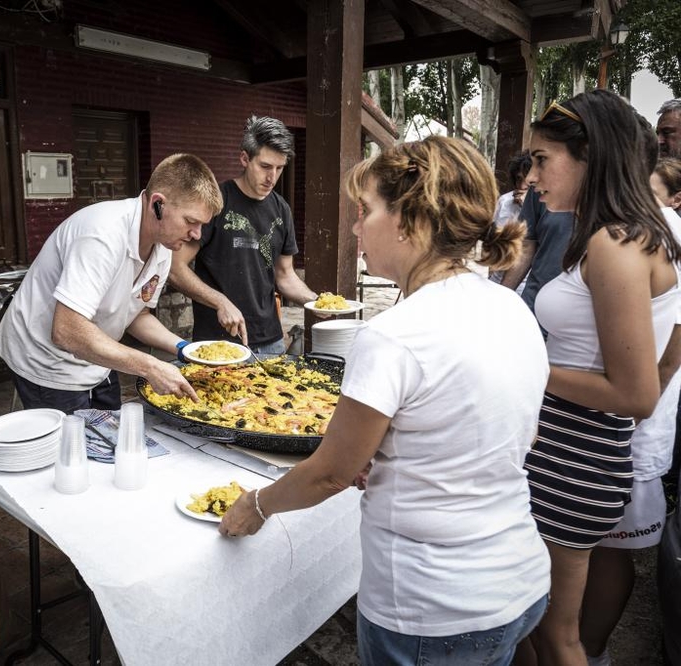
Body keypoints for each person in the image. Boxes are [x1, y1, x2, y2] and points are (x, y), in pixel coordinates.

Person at [221, 135, 551, 665]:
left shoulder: (394, 334)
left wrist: (256, 506)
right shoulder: (511, 308)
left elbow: (330, 473)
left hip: (432, 608)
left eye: (365, 211)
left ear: (410, 221)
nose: (355, 227)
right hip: (520, 577)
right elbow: (515, 433)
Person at [518, 90, 681, 666]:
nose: (531, 175)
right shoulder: (616, 233)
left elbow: (635, 395)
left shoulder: (614, 244)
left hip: (576, 456)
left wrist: (529, 368)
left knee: (554, 633)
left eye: (542, 159)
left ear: (592, 157)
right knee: (532, 625)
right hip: (566, 448)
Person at [0, 153, 222, 412]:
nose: (196, 234)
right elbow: (66, 331)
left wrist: (185, 349)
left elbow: (137, 315)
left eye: (202, 225)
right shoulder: (102, 234)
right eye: (191, 221)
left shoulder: (164, 247)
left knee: (112, 435)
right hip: (47, 360)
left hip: (95, 356)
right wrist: (150, 366)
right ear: (158, 205)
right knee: (76, 447)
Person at [577, 119, 681, 666]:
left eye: (547, 158)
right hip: (603, 418)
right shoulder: (616, 226)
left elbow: (666, 349)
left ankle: (586, 650)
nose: (666, 142)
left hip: (615, 424)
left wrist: (652, 392)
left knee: (606, 546)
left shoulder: (639, 232)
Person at [168, 115, 319, 354]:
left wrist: (316, 301)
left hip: (271, 340)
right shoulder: (216, 202)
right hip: (217, 342)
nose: (272, 178)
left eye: (280, 168)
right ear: (244, 159)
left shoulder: (282, 209)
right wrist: (220, 301)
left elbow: (285, 275)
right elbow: (175, 267)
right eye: (265, 166)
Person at [489, 149, 532, 286]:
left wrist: (528, 206)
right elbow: (492, 239)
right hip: (496, 277)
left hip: (524, 283)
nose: (522, 186)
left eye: (527, 180)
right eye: (519, 179)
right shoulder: (504, 201)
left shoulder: (546, 205)